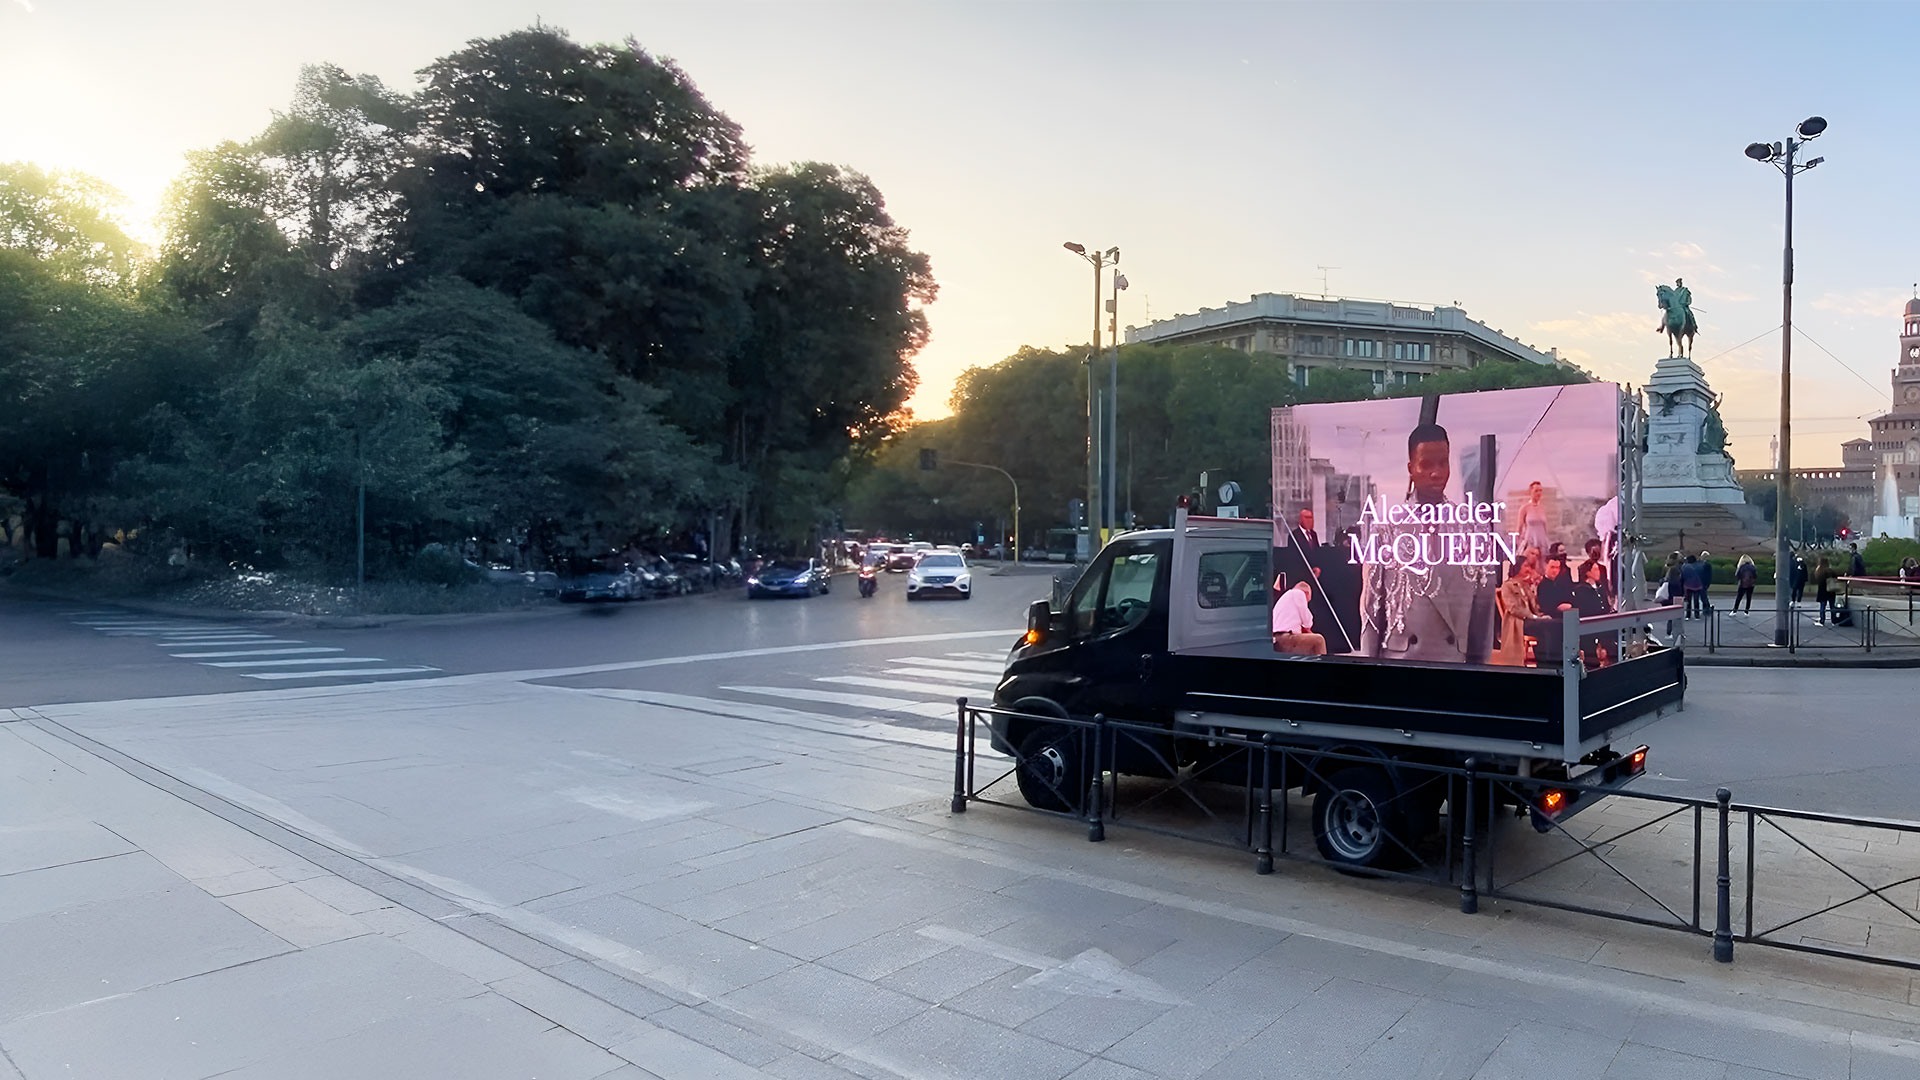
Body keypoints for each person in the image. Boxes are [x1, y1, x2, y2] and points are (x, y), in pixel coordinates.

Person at [1359, 420, 1495, 664]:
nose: (1437, 472)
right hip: (1400, 665)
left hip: (1453, 664)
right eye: (1427, 464)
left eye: (1443, 463)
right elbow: (1371, 608)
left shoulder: (1474, 528)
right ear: (1411, 468)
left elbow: (1483, 612)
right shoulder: (1387, 528)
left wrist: (1479, 672)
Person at [1494, 561, 1541, 666]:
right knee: (1546, 627)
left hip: (1531, 619)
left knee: (1550, 625)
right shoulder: (1507, 586)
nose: (1528, 569)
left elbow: (1534, 606)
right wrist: (1532, 616)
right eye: (1525, 565)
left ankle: (1544, 658)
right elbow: (1513, 608)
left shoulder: (1525, 585)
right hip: (1519, 621)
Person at [1572, 558, 1616, 666]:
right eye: (1595, 569)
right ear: (1588, 572)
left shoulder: (1600, 588)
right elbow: (1585, 608)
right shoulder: (1581, 589)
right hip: (1589, 625)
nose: (1598, 572)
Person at [1271, 578, 1326, 656]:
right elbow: (1308, 622)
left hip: (1277, 639)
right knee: (1319, 640)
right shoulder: (1298, 593)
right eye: (1307, 600)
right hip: (1285, 638)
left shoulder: (1287, 597)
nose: (1306, 602)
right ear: (1306, 593)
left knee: (1310, 642)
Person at [1516, 482, 1551, 557]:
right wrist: (1517, 543)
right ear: (1530, 492)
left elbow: (1545, 527)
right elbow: (1520, 527)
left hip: (1542, 541)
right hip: (1530, 540)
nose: (1539, 493)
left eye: (1540, 490)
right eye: (1536, 491)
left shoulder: (1542, 508)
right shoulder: (1525, 508)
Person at [1814, 554, 1838, 625]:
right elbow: (1835, 577)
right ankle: (1834, 620)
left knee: (1822, 606)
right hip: (1830, 590)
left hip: (1822, 590)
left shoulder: (1819, 571)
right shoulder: (1830, 571)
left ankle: (1822, 620)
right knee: (1832, 606)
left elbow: (1817, 579)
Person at [1681, 553, 1704, 619]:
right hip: (1697, 585)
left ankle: (1688, 615)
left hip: (1688, 585)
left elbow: (1682, 576)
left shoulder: (1685, 567)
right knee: (1696, 601)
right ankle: (1697, 615)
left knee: (1688, 601)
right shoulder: (1699, 566)